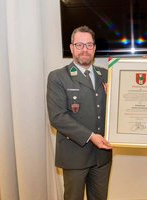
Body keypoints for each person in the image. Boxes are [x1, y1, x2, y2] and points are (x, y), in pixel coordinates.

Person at [46, 25, 112, 200]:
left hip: (102, 156)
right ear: (72, 47)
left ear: (95, 48)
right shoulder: (58, 77)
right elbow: (57, 117)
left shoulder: (106, 75)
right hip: (74, 154)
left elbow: (120, 109)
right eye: (80, 45)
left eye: (89, 45)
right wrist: (91, 136)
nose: (85, 50)